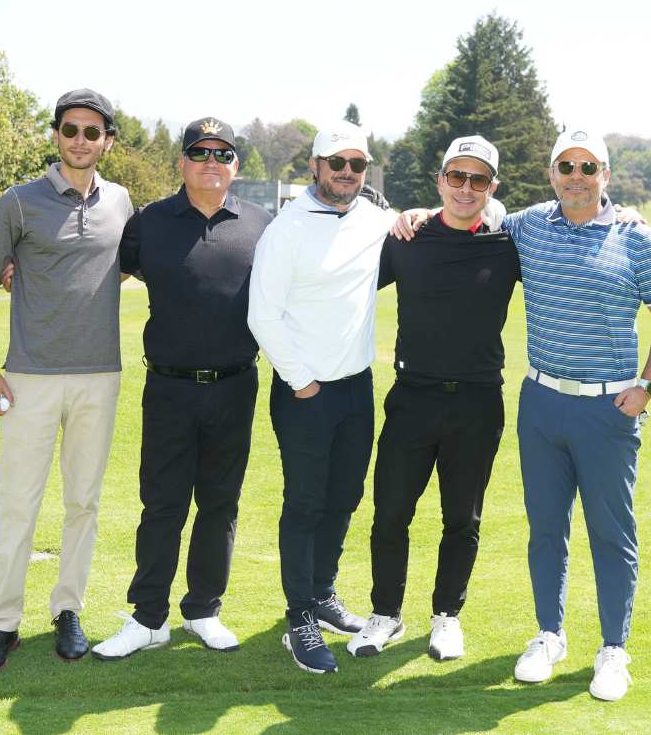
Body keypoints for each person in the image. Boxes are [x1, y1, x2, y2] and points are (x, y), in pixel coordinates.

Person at [506, 129, 651, 701]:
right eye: (566, 166)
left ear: (605, 175)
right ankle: (549, 636)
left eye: (588, 167)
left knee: (611, 533)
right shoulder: (530, 224)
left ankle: (613, 650)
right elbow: (472, 212)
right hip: (541, 404)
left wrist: (647, 387)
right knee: (545, 530)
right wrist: (411, 211)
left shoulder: (635, 236)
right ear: (552, 172)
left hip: (608, 410)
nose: (576, 176)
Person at [88, 118, 274, 660]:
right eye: (200, 152)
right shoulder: (149, 222)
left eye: (222, 153)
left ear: (236, 164)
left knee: (220, 503)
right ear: (182, 162)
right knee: (162, 504)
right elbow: (90, 267)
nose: (211, 162)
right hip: (168, 389)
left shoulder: (263, 224)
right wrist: (19, 263)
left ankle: (203, 609)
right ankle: (149, 618)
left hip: (236, 386)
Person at [0, 89, 133, 675]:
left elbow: (134, 259)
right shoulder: (18, 201)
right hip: (29, 378)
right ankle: (2, 623)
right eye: (70, 130)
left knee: (83, 502)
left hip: (99, 376)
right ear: (56, 135)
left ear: (107, 140)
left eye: (92, 132)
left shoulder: (121, 201)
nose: (80, 141)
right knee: (19, 504)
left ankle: (68, 610)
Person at [347, 136, 516, 662]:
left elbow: (571, 222)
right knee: (391, 512)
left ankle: (446, 617)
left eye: (478, 180)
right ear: (440, 180)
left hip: (477, 401)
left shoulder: (510, 243)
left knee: (461, 518)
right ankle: (385, 615)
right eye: (457, 177)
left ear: (492, 187)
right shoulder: (405, 237)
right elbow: (342, 282)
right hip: (413, 397)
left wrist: (620, 211)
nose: (466, 188)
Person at [247, 122, 399, 674]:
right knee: (306, 503)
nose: (346, 173)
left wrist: (618, 212)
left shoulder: (374, 218)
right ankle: (299, 618)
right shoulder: (285, 230)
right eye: (336, 163)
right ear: (314, 166)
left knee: (345, 498)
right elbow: (262, 315)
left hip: (357, 389)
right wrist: (302, 381)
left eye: (357, 165)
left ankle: (323, 592)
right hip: (304, 392)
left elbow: (433, 219)